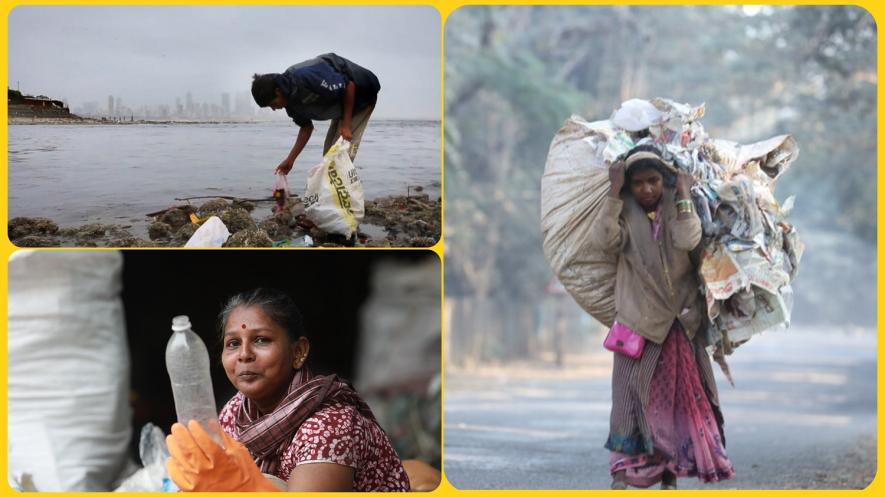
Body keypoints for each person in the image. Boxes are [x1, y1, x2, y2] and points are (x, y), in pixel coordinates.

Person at [589, 145, 735, 490]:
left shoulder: (681, 205)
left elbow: (688, 238)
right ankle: (620, 475)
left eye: (654, 181)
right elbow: (605, 241)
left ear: (665, 181)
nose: (647, 190)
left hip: (681, 323)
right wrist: (613, 190)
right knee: (627, 400)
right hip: (636, 324)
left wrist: (683, 193)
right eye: (638, 183)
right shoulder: (622, 209)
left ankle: (669, 475)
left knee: (674, 401)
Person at [165, 288, 410, 492]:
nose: (244, 354)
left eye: (261, 339)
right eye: (233, 343)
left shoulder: (331, 424)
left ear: (298, 352)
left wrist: (239, 486)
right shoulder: (236, 411)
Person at [251, 54, 380, 176]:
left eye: (272, 104)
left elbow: (349, 86)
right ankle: (330, 194)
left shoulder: (306, 77)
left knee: (341, 156)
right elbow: (306, 128)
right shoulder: (290, 103)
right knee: (329, 155)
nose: (273, 109)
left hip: (362, 94)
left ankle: (342, 196)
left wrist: (346, 125)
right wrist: (290, 160)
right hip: (340, 104)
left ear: (278, 91)